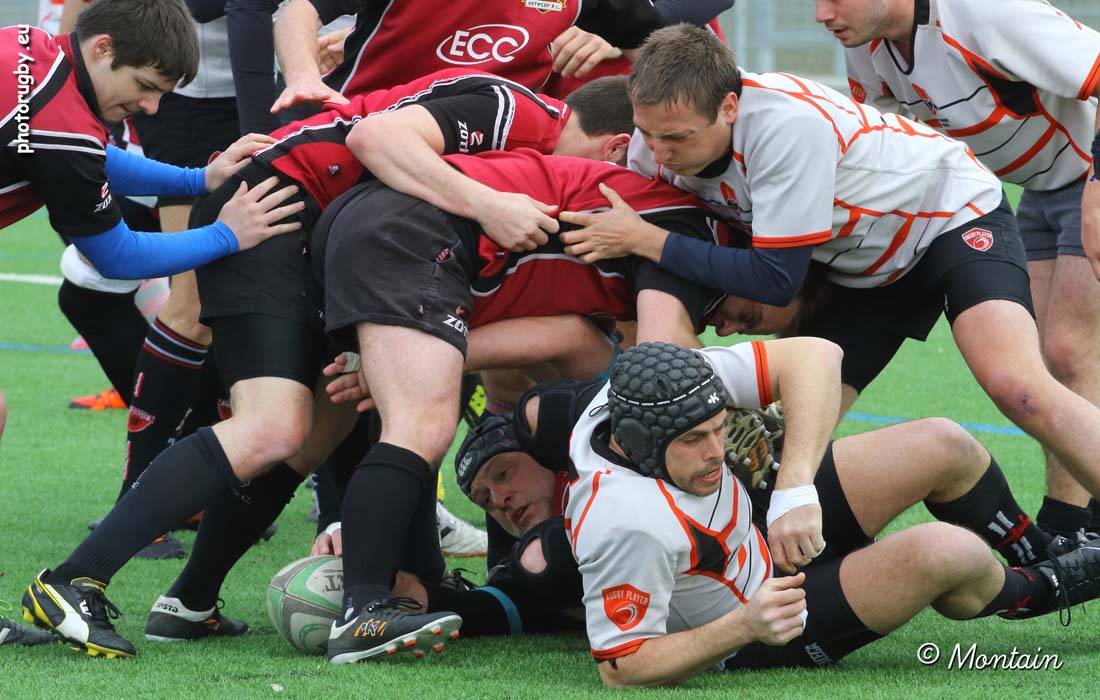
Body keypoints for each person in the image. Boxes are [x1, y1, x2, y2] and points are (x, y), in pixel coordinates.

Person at [18, 72, 636, 659]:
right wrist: (488, 203)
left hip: (331, 238)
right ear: (616, 146)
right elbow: (373, 135)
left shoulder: (536, 162)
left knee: (336, 416)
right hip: (281, 206)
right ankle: (74, 579)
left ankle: (190, 600)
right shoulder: (522, 109)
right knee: (272, 425)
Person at [558, 23, 1100, 524]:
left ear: (729, 106)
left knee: (1018, 386)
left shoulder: (785, 126)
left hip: (949, 218)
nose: (659, 153)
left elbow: (776, 280)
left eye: (677, 138)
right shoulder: (651, 147)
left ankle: (1070, 523)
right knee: (780, 446)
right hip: (860, 271)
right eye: (648, 134)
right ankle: (1039, 550)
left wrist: (648, 240)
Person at [309, 147, 730, 664]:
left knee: (528, 430)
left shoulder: (595, 424)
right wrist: (420, 595)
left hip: (728, 517)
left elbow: (572, 340)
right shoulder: (547, 545)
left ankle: (363, 601)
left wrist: (425, 360)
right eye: (485, 500)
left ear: (546, 457)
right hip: (388, 233)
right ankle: (370, 602)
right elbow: (507, 605)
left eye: (503, 475)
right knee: (542, 559)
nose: (501, 501)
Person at [564, 341, 1100, 687]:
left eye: (719, 427)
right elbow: (622, 667)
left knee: (944, 442)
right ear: (636, 441)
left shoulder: (663, 385)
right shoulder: (626, 521)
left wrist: (793, 491)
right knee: (947, 551)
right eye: (693, 440)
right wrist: (743, 626)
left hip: (757, 533)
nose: (716, 450)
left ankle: (1045, 550)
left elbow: (818, 355)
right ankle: (1042, 586)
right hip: (757, 623)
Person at [815, 0, 1100, 546]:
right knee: (1052, 364)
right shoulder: (866, 46)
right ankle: (1072, 530)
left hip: (1087, 175)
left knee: (1068, 352)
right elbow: (895, 148)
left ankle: (1070, 527)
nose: (821, 14)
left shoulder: (985, 13)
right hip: (1038, 188)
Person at [1, 0, 304, 281]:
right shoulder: (64, 134)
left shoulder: (26, 39)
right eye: (144, 85)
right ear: (103, 48)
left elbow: (93, 155)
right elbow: (119, 257)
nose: (151, 107)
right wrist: (226, 234)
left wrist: (197, 179)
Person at [270, 0, 665, 111]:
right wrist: (303, 77)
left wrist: (611, 43)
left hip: (501, 145)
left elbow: (654, 48)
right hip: (364, 118)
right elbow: (300, 9)